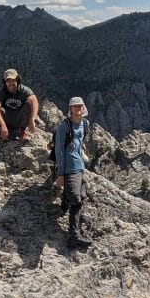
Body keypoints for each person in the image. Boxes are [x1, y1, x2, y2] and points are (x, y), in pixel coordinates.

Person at [55, 96, 92, 249]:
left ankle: (64, 204)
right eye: (75, 106)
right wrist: (60, 173)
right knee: (76, 200)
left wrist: (82, 153)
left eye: (80, 106)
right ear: (70, 108)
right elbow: (59, 150)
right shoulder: (64, 126)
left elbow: (81, 141)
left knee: (81, 196)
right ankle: (73, 237)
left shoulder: (85, 123)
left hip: (79, 166)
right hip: (69, 168)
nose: (78, 109)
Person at [0, 68, 38, 141]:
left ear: (17, 80)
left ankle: (22, 131)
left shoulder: (24, 90)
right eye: (8, 81)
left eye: (13, 80)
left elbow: (34, 101)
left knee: (29, 105)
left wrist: (32, 119)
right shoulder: (2, 92)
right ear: (5, 82)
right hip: (7, 119)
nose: (11, 83)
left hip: (20, 119)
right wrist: (3, 125)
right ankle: (3, 130)